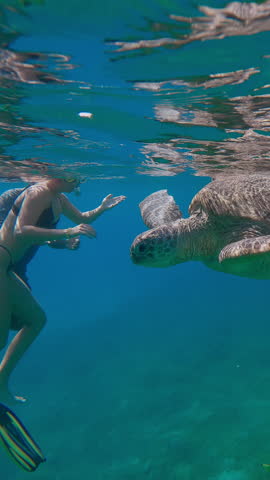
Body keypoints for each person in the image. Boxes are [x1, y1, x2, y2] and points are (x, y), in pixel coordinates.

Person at [0, 176, 125, 404]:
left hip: (6, 268)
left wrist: (102, 208)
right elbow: (21, 230)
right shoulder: (38, 192)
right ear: (58, 176)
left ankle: (1, 381)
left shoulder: (59, 198)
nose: (79, 182)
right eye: (76, 178)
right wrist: (68, 232)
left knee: (36, 320)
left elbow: (82, 218)